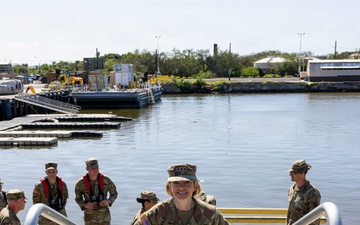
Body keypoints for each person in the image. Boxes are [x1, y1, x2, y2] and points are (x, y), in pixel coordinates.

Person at [135, 163, 228, 225]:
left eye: (187, 182)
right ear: (170, 187)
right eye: (176, 183)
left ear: (195, 186)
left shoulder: (210, 213)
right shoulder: (157, 213)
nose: (181, 187)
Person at [75, 158, 118, 225]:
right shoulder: (80, 183)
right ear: (87, 169)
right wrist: (85, 205)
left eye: (96, 167)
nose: (95, 170)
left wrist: (108, 201)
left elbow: (114, 194)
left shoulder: (106, 180)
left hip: (104, 218)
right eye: (92, 168)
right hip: (90, 219)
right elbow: (78, 198)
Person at [286, 160, 321, 225]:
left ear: (302, 173)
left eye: (293, 172)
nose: (290, 174)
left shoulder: (312, 193)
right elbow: (290, 213)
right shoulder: (292, 189)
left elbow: (315, 219)